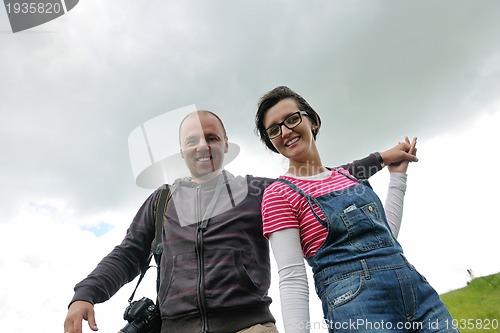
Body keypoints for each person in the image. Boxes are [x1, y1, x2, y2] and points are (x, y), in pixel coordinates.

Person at [64, 110, 417, 333]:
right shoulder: (161, 201)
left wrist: (381, 159)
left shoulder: (259, 192)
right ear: (181, 150)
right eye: (192, 140)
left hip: (249, 327)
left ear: (225, 144)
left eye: (212, 137)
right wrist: (86, 295)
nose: (203, 146)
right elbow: (127, 254)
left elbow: (323, 181)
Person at [254, 86, 458, 333]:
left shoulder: (351, 178)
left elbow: (385, 237)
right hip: (357, 306)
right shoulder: (279, 194)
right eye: (274, 130)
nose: (285, 131)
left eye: (292, 119)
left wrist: (397, 178)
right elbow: (292, 278)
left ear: (313, 121)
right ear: (272, 142)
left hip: (420, 294)